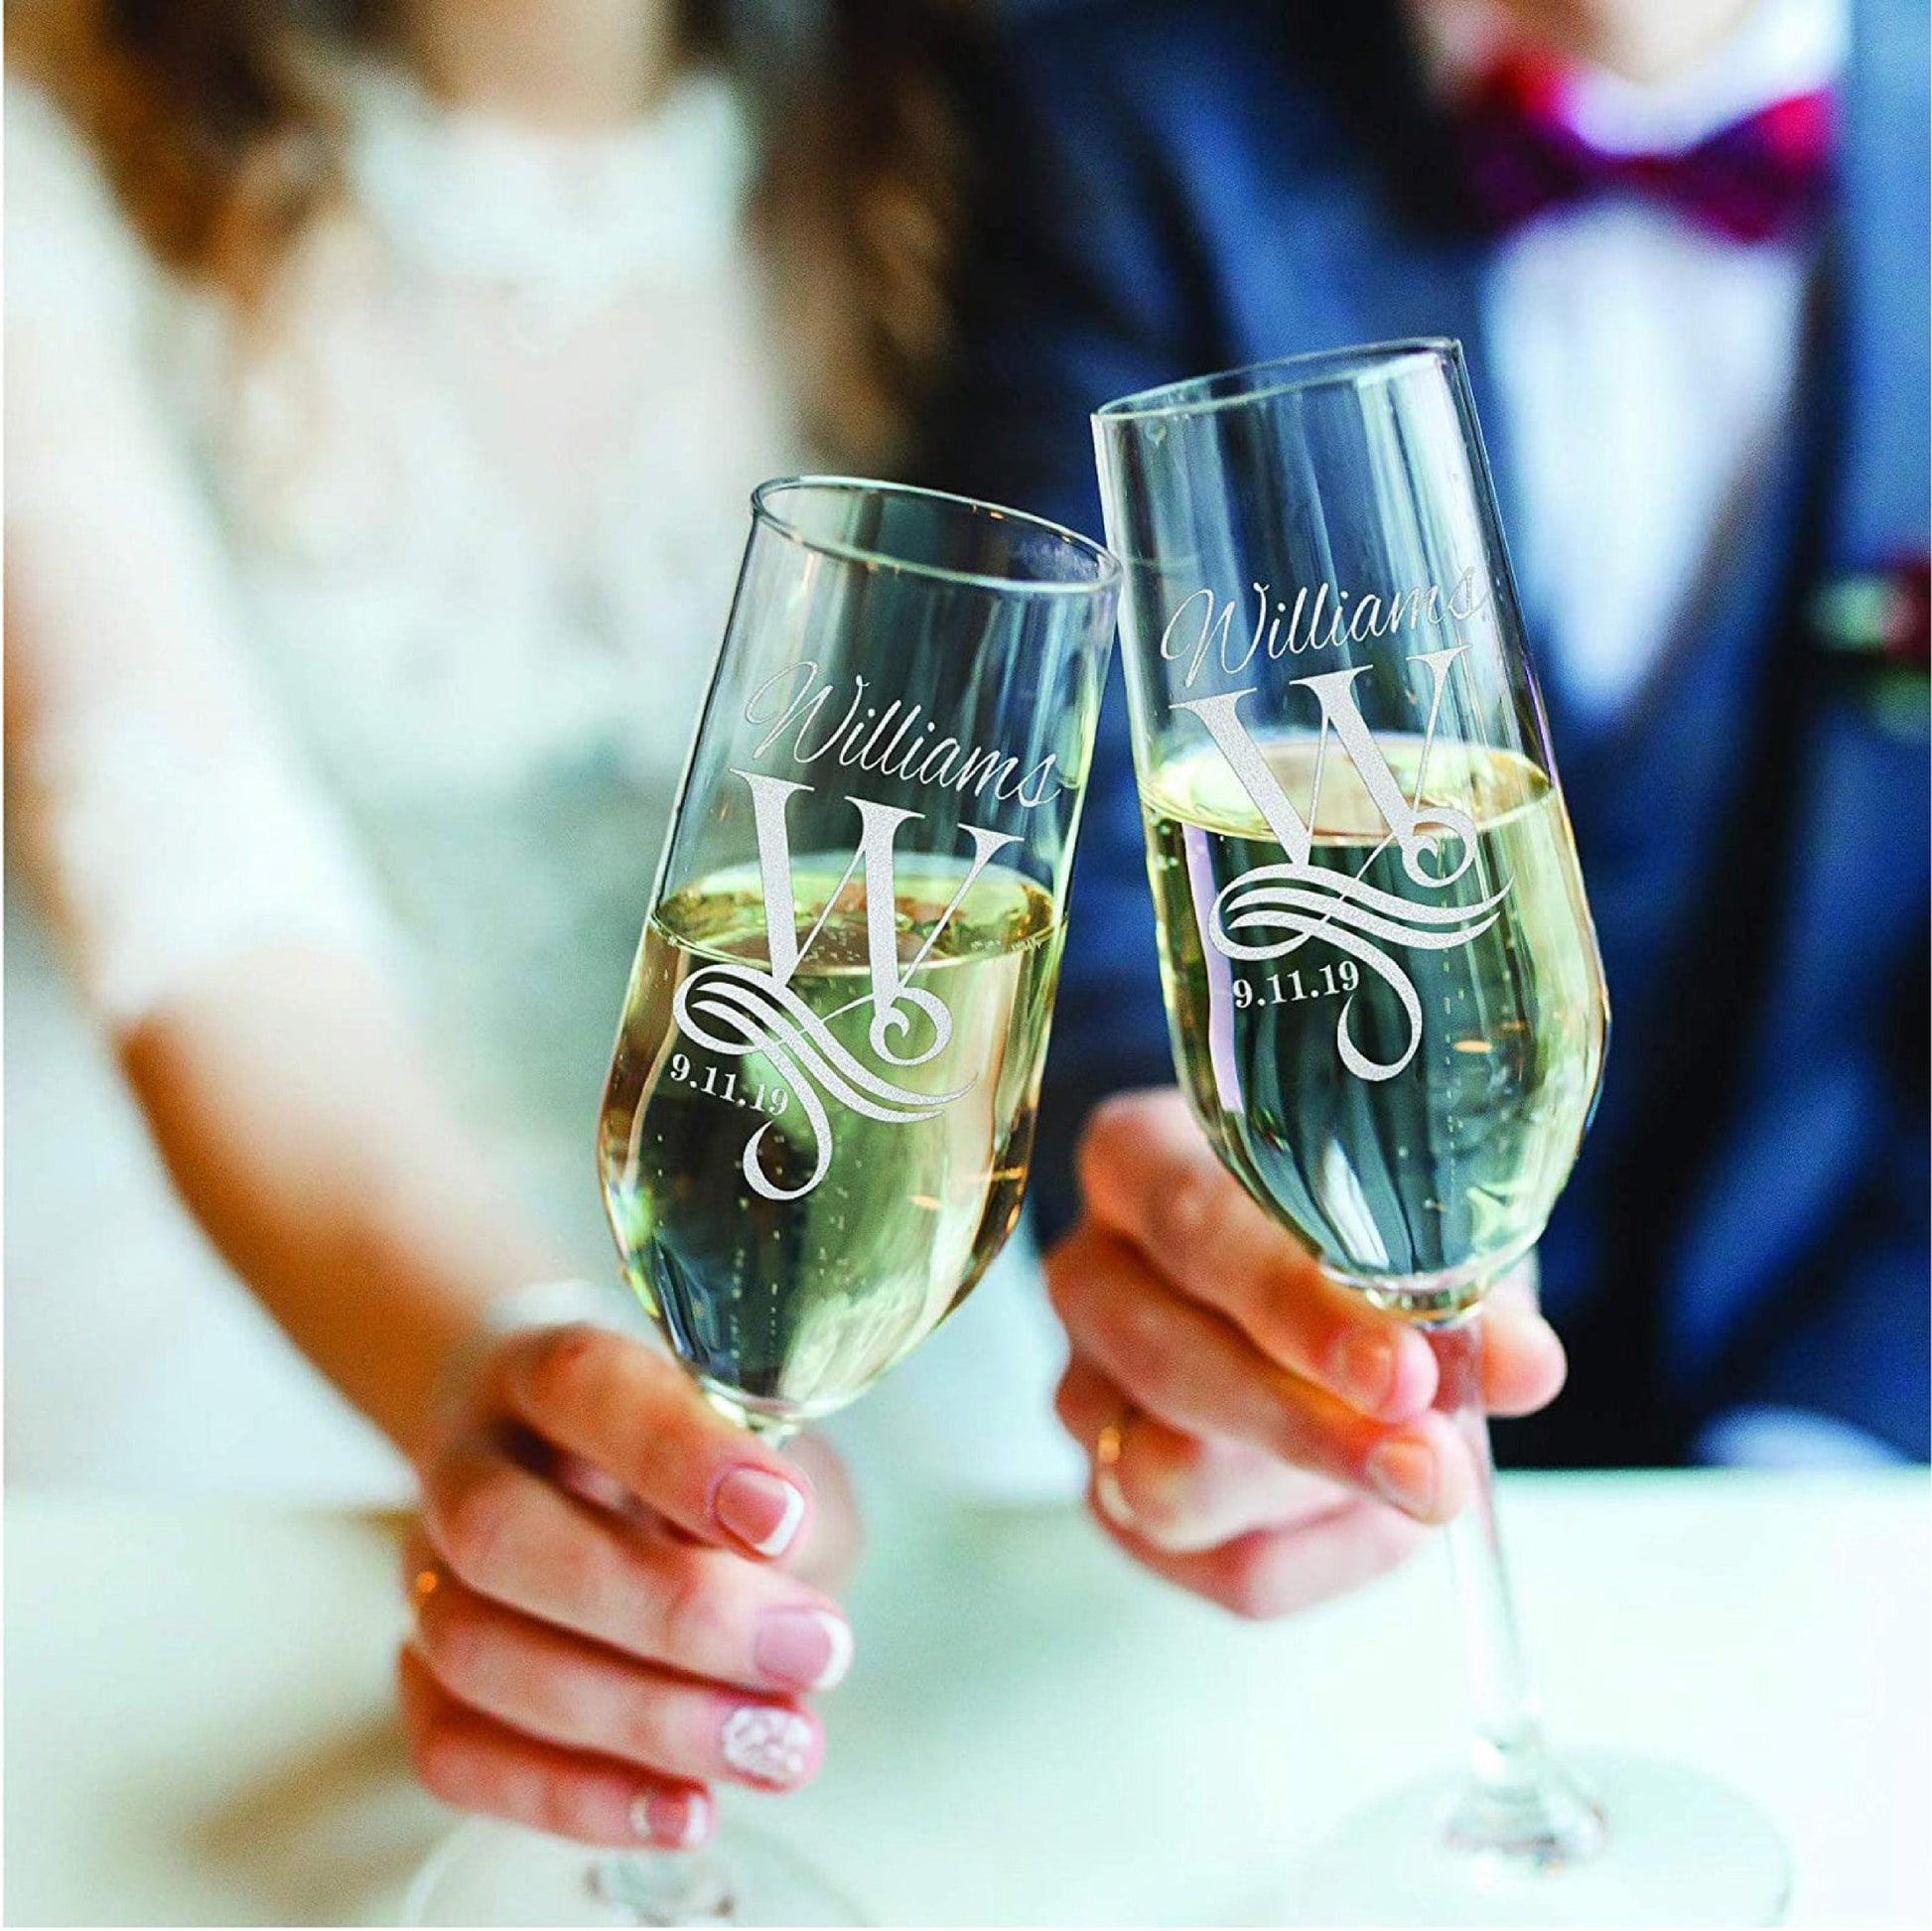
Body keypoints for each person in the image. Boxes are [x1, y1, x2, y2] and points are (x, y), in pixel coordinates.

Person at [3, 0, 1048, 1850]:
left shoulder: (980, 105)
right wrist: (516, 1366)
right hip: (302, 1309)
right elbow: (203, 901)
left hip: (869, 1265)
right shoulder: (47, 139)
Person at [917, 0, 1929, 1608]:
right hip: (1344, 1455)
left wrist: (1817, 1464)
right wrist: (1208, 1254)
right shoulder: (1123, 109)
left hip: (1858, 1470)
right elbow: (1057, 834)